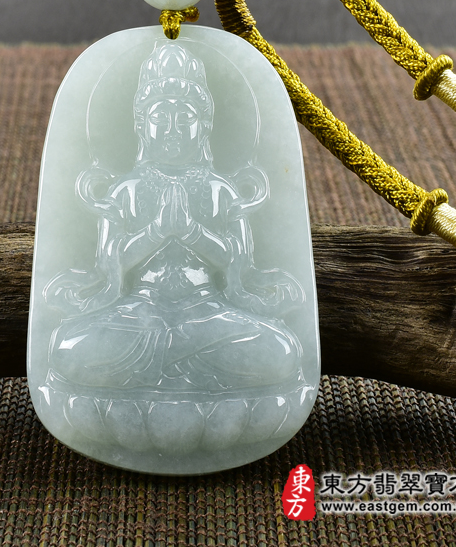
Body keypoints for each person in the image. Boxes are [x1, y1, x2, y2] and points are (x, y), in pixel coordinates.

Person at [45, 42, 305, 396]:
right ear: (141, 125)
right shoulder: (127, 189)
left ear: (205, 125)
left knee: (282, 351)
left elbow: (236, 262)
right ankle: (181, 360)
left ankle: (165, 360)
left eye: (185, 118)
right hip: (140, 310)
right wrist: (157, 231)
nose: (172, 129)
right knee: (67, 348)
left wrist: (190, 231)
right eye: (159, 118)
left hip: (206, 311)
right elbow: (112, 262)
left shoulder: (218, 189)